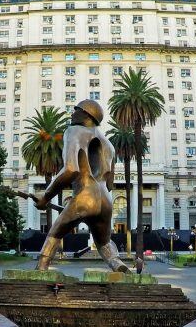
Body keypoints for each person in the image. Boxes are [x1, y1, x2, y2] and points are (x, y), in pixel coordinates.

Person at [34, 100, 129, 272]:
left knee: (54, 234)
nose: (72, 114)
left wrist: (46, 197)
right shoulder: (109, 145)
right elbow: (109, 183)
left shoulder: (74, 131)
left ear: (87, 114)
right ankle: (118, 264)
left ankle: (40, 269)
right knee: (105, 243)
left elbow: (70, 170)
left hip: (86, 194)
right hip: (106, 201)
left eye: (75, 110)